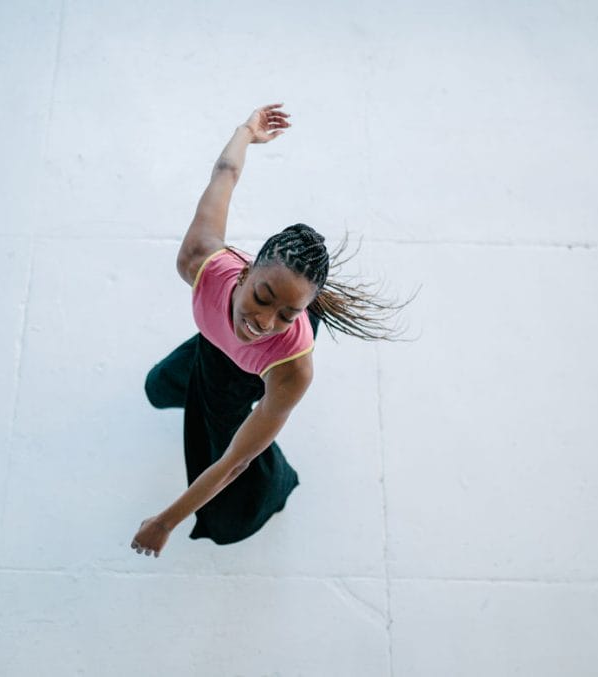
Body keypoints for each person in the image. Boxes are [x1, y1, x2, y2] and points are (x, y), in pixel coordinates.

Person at [131, 103, 410, 557]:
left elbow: (235, 462)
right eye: (262, 298)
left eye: (287, 312)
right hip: (212, 347)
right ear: (242, 273)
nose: (264, 322)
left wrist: (165, 522)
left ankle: (276, 489)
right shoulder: (200, 261)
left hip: (244, 376)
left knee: (229, 482)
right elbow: (225, 173)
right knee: (158, 387)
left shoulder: (292, 370)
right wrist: (245, 131)